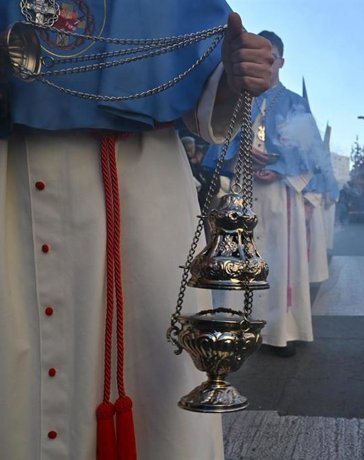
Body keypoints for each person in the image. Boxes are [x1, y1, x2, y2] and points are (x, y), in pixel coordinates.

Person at [0, 4, 272, 459]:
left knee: (156, 385)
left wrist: (234, 75)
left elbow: (200, 84)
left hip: (147, 182)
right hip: (15, 173)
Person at [207, 30, 316, 357]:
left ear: (280, 61)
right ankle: (237, 324)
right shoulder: (239, 97)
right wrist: (243, 154)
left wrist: (280, 167)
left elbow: (309, 153)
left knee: (280, 261)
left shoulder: (295, 103)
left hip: (281, 193)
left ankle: (278, 332)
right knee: (240, 256)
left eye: (271, 58)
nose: (266, 64)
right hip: (244, 188)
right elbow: (218, 140)